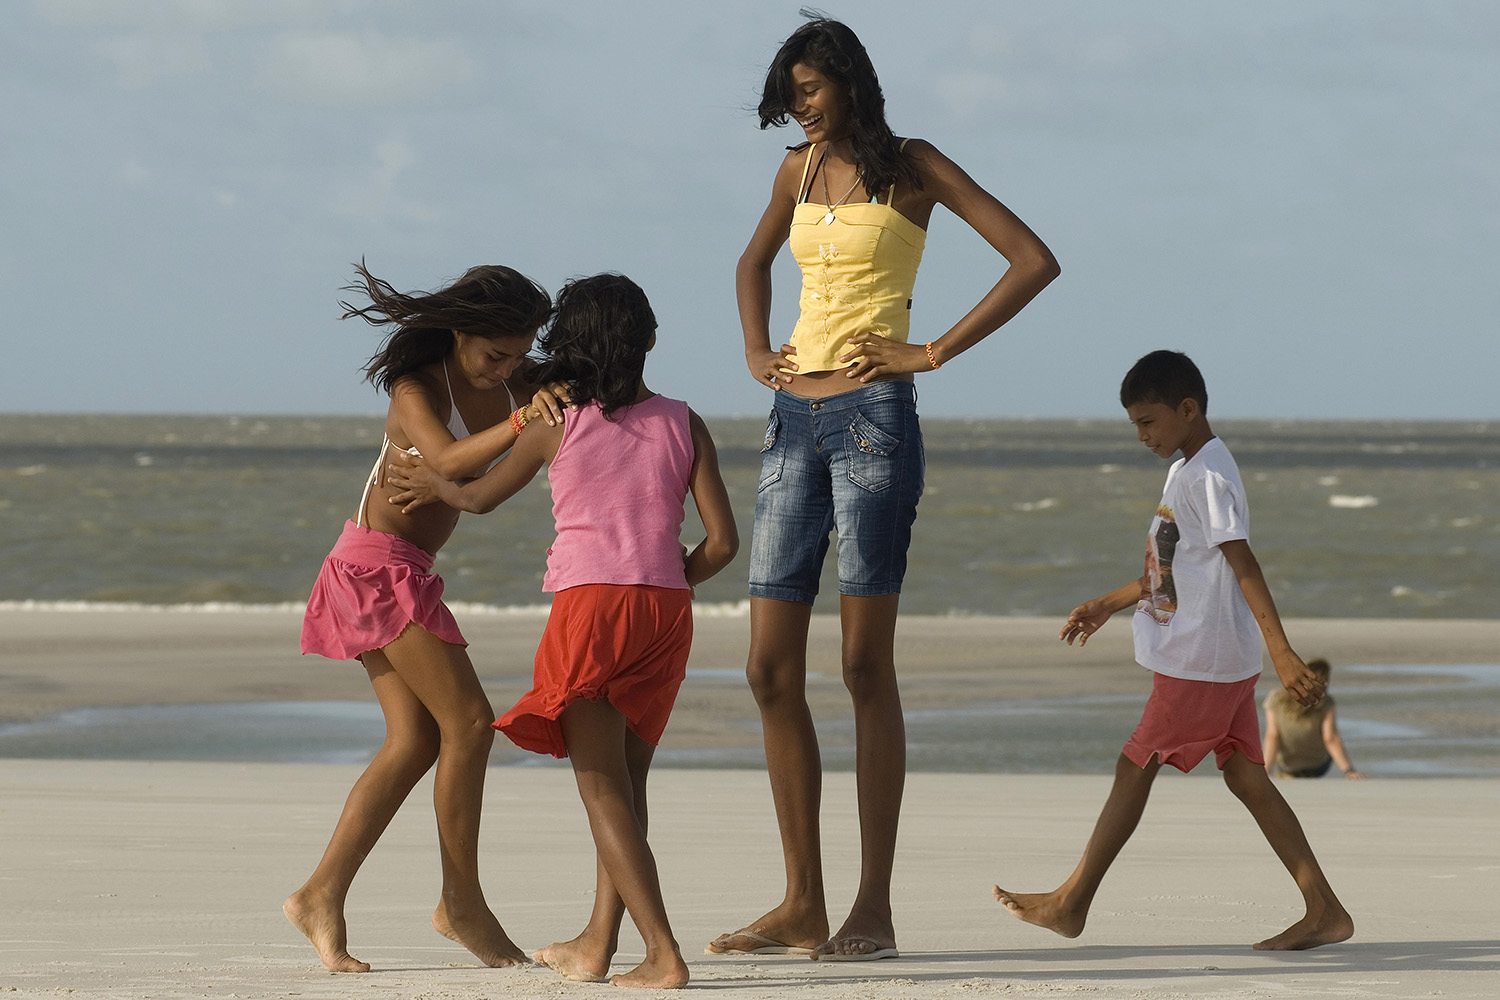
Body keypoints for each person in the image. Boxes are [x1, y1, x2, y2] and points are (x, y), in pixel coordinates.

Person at [708, 16, 1059, 962]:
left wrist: (931, 351)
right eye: (791, 90)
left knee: (864, 667)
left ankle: (872, 906)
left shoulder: (913, 165)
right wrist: (754, 351)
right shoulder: (794, 171)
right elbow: (750, 264)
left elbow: (1032, 259)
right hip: (791, 423)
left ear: (852, 82)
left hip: (874, 419)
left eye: (812, 87)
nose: (799, 103)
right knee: (766, 669)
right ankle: (801, 903)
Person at [388, 273, 739, 989]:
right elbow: (723, 544)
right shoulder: (684, 419)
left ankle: (663, 954)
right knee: (628, 785)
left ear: (562, 351)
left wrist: (434, 487)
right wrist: (667, 581)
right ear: (650, 342)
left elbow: (480, 496)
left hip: (591, 609)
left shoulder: (557, 421)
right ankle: (596, 944)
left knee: (600, 789)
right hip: (668, 611)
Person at [992, 350, 1355, 952]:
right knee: (1246, 777)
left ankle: (1071, 902)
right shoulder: (1188, 467)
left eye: (1148, 422)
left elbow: (1243, 564)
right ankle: (1325, 910)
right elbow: (1179, 566)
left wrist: (1285, 654)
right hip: (1216, 658)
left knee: (1136, 763)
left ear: (1188, 410)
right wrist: (1112, 601)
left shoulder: (1207, 476)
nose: (1142, 436)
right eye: (1135, 424)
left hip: (1202, 661)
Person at [286, 261, 556, 973]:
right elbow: (447, 457)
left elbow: (555, 409)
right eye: (496, 354)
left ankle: (320, 893)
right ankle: (461, 903)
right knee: (468, 724)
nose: (507, 369)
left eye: (521, 356)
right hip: (374, 568)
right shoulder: (417, 388)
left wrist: (545, 390)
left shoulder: (515, 384)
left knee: (413, 742)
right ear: (459, 332)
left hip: (404, 570)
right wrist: (523, 417)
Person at [1264, 658, 1366, 779]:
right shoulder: (1326, 702)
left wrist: (1266, 771)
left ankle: (1288, 774)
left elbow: (1273, 736)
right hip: (1318, 766)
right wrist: (1349, 771)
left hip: (1287, 765)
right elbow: (1330, 738)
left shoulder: (1276, 698)